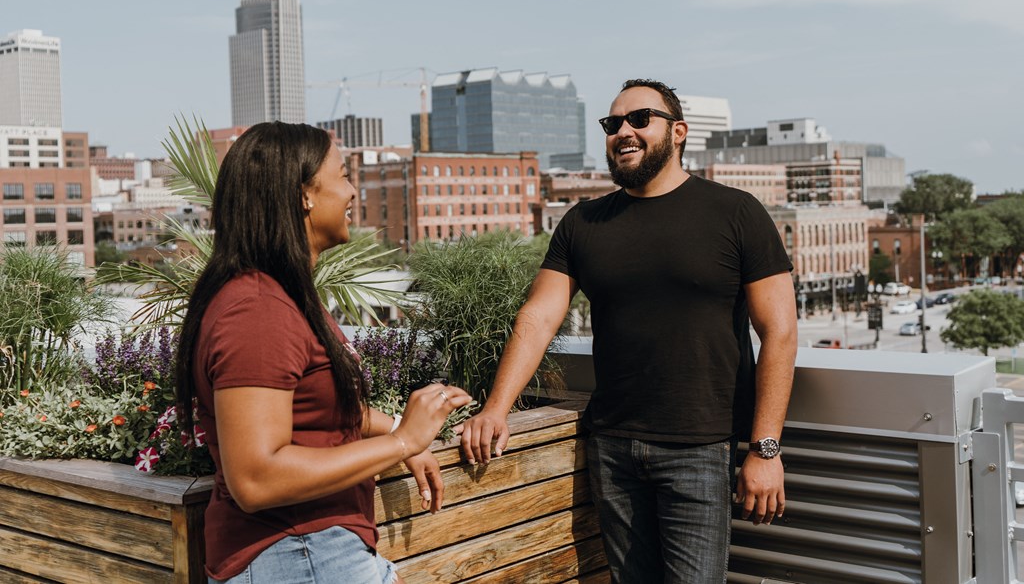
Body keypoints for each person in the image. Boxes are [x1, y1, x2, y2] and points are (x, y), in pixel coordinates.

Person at [459, 80, 797, 583]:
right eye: (612, 124)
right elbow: (539, 316)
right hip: (612, 446)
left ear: (678, 132)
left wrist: (765, 448)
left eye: (640, 119)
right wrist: (495, 408)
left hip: (701, 449)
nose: (624, 131)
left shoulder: (736, 212)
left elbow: (780, 331)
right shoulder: (584, 222)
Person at [175, 122, 471, 584]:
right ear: (303, 195)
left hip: (314, 553)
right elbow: (256, 478)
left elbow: (318, 413)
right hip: (298, 555)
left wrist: (395, 428)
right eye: (343, 175)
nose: (353, 191)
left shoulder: (279, 296)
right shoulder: (256, 311)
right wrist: (402, 443)